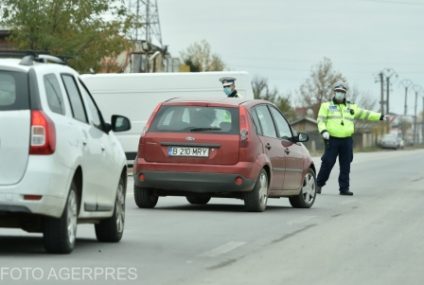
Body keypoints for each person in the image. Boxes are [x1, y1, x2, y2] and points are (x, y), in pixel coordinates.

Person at [316, 81, 386, 196]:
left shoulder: (351, 106)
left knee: (346, 164)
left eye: (342, 92)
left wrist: (381, 116)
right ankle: (318, 185)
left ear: (345, 93)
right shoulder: (326, 106)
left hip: (346, 140)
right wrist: (323, 131)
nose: (340, 93)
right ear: (334, 92)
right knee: (327, 162)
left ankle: (344, 188)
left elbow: (366, 114)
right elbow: (320, 120)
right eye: (338, 91)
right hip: (331, 139)